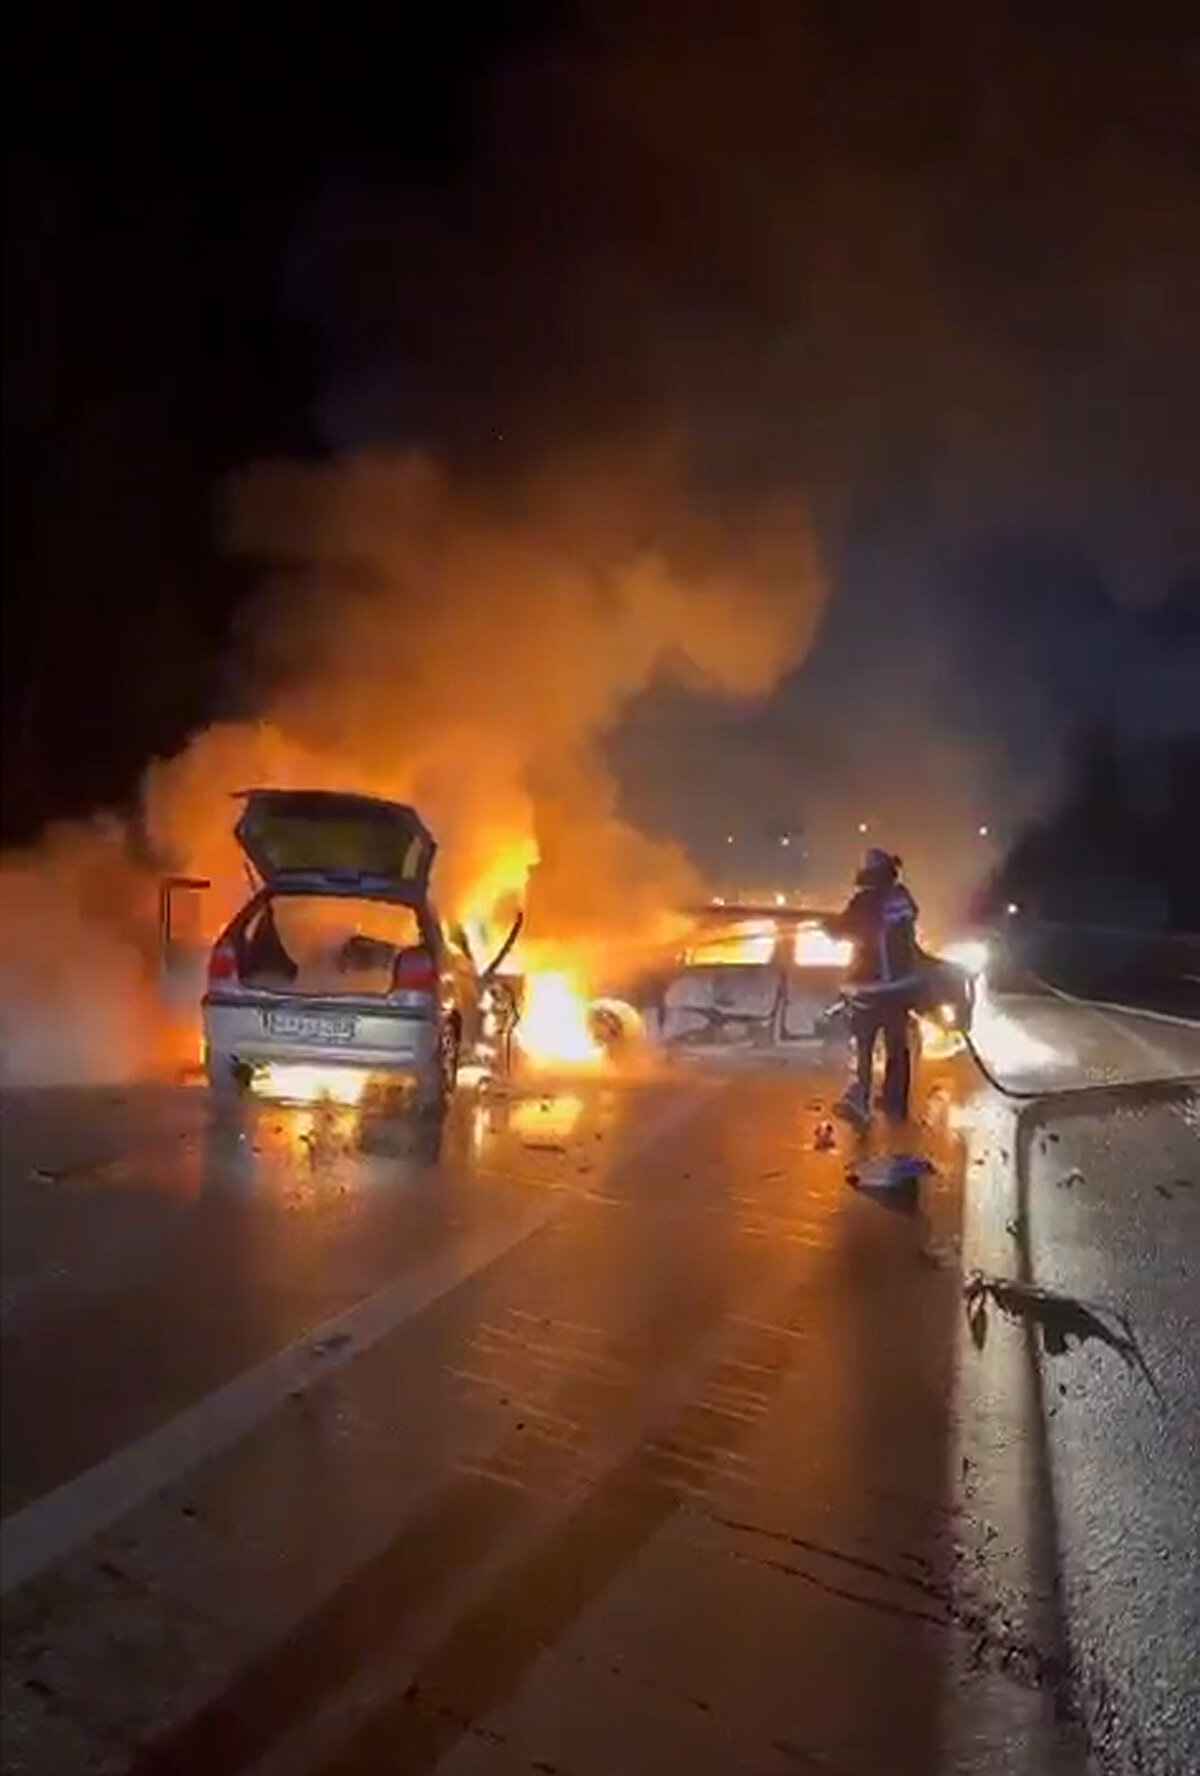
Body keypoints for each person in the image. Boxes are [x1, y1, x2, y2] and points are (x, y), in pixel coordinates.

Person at [824, 848, 920, 1125]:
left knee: (863, 1044)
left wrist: (828, 926)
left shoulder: (863, 901)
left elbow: (846, 929)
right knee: (896, 1046)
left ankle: (861, 1099)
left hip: (871, 986)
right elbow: (907, 923)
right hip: (900, 987)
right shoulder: (901, 897)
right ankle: (895, 1102)